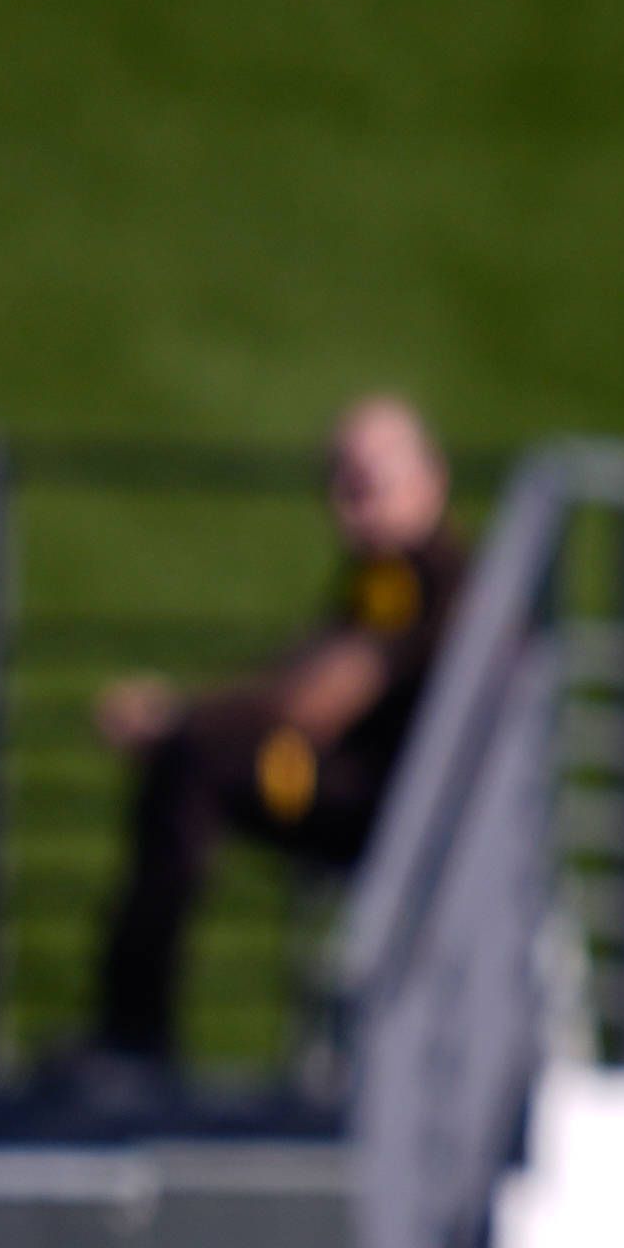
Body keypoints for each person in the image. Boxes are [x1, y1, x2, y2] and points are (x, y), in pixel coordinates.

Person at [92, 393, 465, 1059]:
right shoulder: (396, 576)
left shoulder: (415, 575)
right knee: (201, 753)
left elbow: (319, 700)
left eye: (369, 483)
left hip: (391, 812)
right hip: (394, 799)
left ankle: (134, 1028)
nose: (350, 505)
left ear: (429, 478)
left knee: (198, 761)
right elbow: (311, 671)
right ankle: (132, 1024)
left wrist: (179, 717)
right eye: (340, 483)